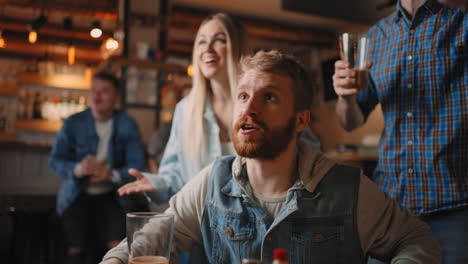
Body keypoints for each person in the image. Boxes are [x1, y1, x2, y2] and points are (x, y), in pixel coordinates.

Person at [101, 50, 441, 264]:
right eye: (244, 96)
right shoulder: (212, 182)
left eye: (269, 98)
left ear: (300, 120)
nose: (248, 109)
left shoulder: (347, 189)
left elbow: (417, 241)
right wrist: (117, 259)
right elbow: (152, 239)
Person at [117, 13, 321, 204]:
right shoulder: (185, 110)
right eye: (202, 42)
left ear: (237, 47)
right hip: (202, 227)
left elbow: (309, 155)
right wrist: (157, 184)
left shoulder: (260, 104)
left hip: (262, 221)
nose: (207, 49)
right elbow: (175, 175)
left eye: (219, 40)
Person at [333, 0, 467, 262]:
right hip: (390, 212)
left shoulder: (461, 23)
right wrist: (345, 97)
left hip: (455, 210)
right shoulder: (376, 36)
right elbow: (350, 122)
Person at [49, 72, 147, 264]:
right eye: (93, 90)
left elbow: (137, 165)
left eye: (104, 91)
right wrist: (79, 168)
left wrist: (109, 174)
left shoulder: (128, 124)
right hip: (77, 194)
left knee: (117, 250)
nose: (97, 96)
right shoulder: (72, 123)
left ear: (116, 97)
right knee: (76, 250)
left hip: (114, 195)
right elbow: (55, 161)